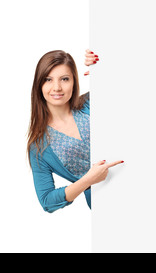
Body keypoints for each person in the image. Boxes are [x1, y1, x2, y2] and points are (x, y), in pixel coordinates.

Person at [28, 49, 123, 213]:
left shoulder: (92, 102)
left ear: (74, 81)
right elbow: (47, 201)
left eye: (64, 79)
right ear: (39, 85)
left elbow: (134, 80)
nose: (56, 87)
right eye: (48, 79)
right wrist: (87, 180)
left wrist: (104, 64)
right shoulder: (39, 147)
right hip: (106, 205)